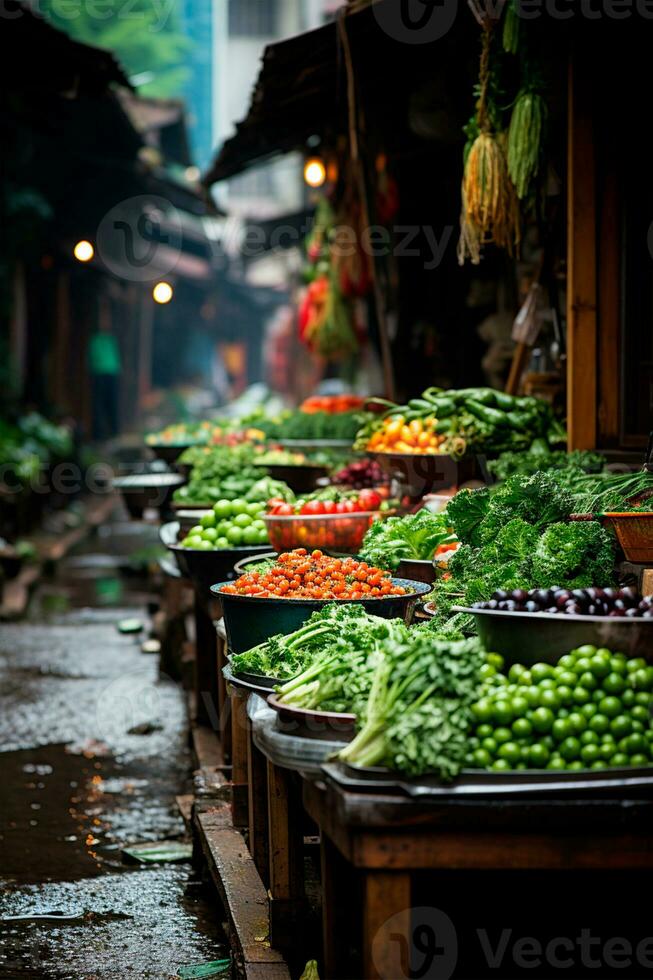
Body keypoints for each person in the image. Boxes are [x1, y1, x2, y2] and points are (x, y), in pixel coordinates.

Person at [89, 322, 121, 441]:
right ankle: (98, 435)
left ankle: (113, 432)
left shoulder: (111, 340)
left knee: (111, 404)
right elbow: (91, 358)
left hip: (111, 373)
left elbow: (116, 358)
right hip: (98, 374)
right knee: (98, 406)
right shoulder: (95, 340)